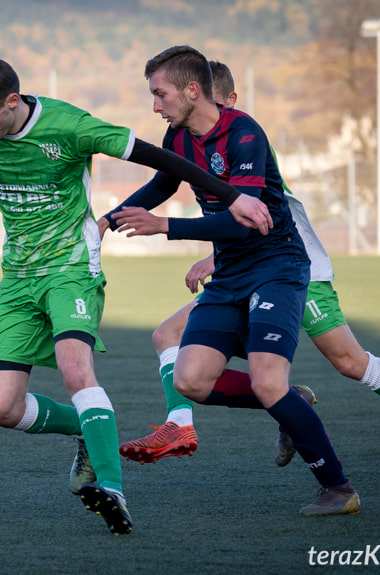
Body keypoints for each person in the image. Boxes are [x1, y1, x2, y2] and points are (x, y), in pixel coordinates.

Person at [0, 55, 273, 535]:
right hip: (17, 276)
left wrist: (233, 195)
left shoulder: (70, 126)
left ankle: (112, 488)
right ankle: (86, 432)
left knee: (76, 369)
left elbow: (161, 159)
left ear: (12, 101)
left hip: (72, 268)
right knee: (1, 408)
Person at [119, 60, 380, 486]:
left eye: (226, 101)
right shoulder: (189, 140)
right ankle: (186, 420)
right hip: (241, 271)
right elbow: (190, 194)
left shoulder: (244, 141)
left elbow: (256, 213)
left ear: (221, 101)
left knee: (349, 361)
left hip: (294, 268)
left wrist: (205, 248)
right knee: (169, 335)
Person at [101, 45, 360, 516]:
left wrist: (167, 227)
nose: (155, 105)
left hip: (276, 267)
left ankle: (338, 489)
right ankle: (289, 401)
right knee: (192, 381)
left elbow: (243, 219)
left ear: (192, 90)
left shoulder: (244, 135)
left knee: (266, 381)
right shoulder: (178, 137)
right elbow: (163, 183)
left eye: (160, 94)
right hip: (232, 275)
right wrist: (110, 217)